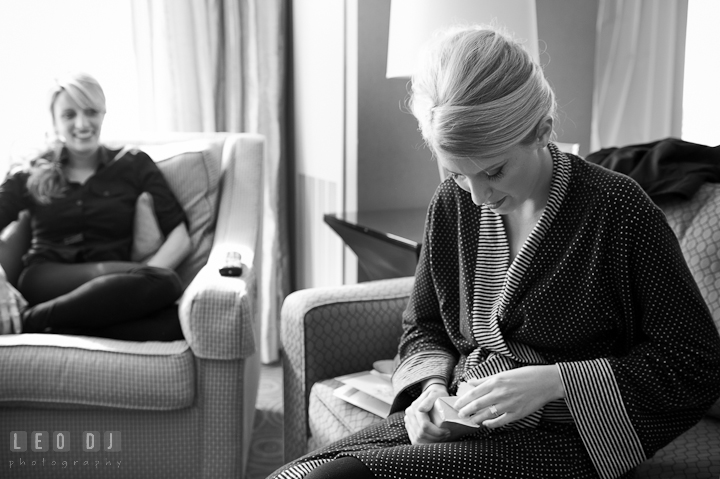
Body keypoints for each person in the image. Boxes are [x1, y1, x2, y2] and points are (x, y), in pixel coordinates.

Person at [269, 26, 720, 479]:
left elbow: (695, 362)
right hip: (463, 422)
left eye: (494, 171)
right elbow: (423, 326)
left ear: (543, 130)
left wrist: (556, 382)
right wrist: (429, 390)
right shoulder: (452, 202)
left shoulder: (618, 210)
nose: (478, 195)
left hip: (569, 442)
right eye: (458, 173)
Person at [0, 72, 191, 340]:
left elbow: (180, 237)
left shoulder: (133, 163)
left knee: (176, 323)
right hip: (46, 278)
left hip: (113, 283)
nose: (82, 123)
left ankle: (47, 322)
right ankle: (35, 320)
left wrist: (141, 281)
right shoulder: (30, 172)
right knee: (167, 284)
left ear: (103, 113)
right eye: (69, 115)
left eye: (90, 111)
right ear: (55, 122)